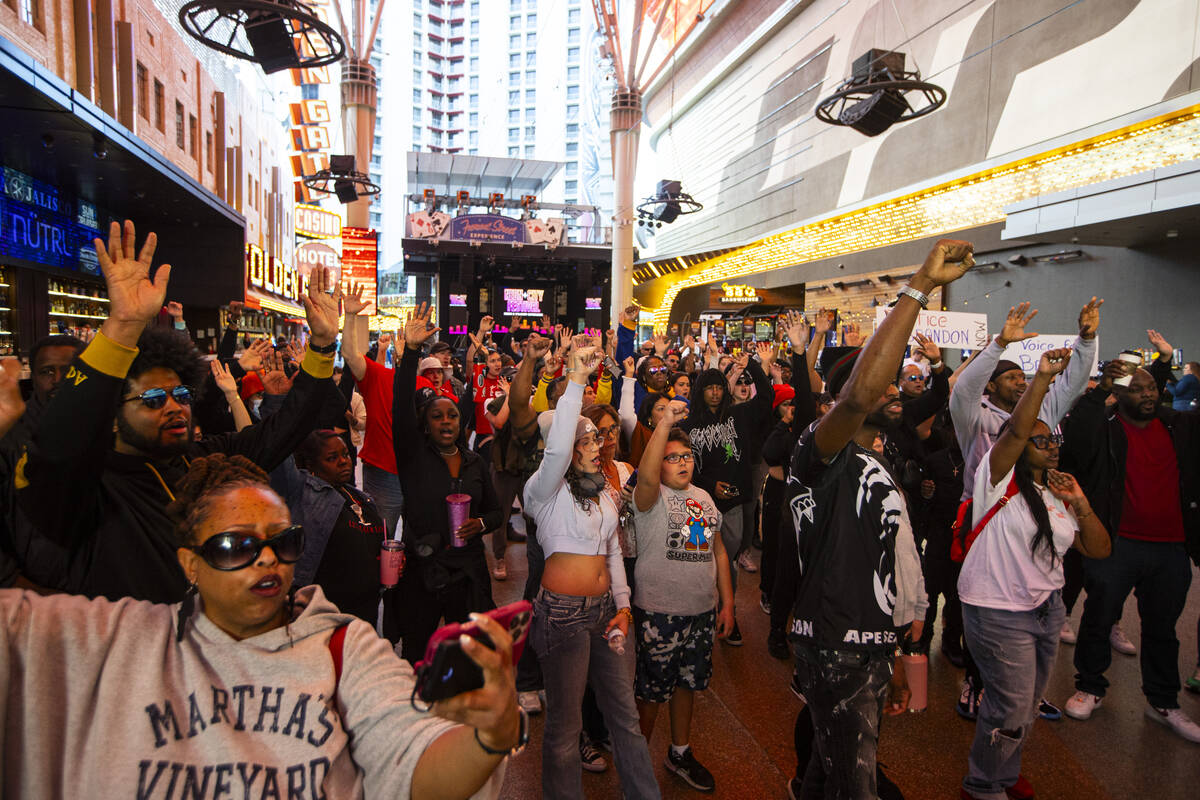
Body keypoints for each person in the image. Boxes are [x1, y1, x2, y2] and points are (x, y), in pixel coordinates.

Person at [0, 452, 520, 798]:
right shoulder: (118, 643)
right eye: (236, 546)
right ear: (189, 563)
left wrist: (490, 734)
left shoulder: (345, 647)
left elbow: (416, 763)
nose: (267, 560)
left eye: (282, 541)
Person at [15, 220, 339, 603]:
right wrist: (123, 326)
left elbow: (285, 429)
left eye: (182, 395)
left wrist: (321, 345)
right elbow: (55, 447)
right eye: (154, 399)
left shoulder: (201, 463)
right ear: (113, 416)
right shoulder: (89, 488)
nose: (175, 407)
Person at [786, 240, 972, 798]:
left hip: (868, 638)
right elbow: (862, 390)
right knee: (858, 787)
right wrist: (920, 285)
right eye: (887, 380)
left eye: (901, 379)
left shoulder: (880, 456)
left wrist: (893, 647)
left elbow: (889, 560)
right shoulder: (817, 452)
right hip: (833, 640)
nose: (897, 388)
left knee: (829, 767)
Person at [958, 348, 1111, 800]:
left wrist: (1080, 503)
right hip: (997, 609)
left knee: (1024, 705)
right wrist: (1042, 378)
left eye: (1053, 440)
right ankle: (983, 785)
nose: (1051, 445)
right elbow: (1019, 427)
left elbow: (1098, 549)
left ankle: (1004, 773)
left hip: (1046, 608)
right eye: (1040, 441)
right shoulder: (996, 479)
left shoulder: (1058, 491)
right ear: (1017, 444)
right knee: (1008, 706)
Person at [948, 297, 1100, 718]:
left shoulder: (1042, 414)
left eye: (1022, 376)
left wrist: (1086, 342)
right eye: (1011, 377)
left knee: (1032, 591)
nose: (1019, 382)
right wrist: (997, 345)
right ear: (992, 386)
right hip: (987, 514)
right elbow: (962, 388)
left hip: (1034, 510)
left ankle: (1022, 688)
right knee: (985, 600)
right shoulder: (973, 416)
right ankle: (977, 683)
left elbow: (1069, 384)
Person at [522, 340, 660, 800]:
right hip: (561, 617)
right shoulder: (543, 490)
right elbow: (558, 446)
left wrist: (623, 608)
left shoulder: (605, 492)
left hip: (605, 613)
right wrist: (577, 380)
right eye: (585, 438)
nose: (594, 444)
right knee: (565, 729)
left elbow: (613, 552)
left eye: (596, 438)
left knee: (625, 717)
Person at [1060, 333, 1200, 743]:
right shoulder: (1103, 430)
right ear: (1118, 396)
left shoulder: (1180, 428)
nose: (1147, 394)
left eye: (1152, 387)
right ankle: (1089, 685)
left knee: (1163, 627)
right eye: (1136, 389)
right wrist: (1100, 389)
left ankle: (1164, 702)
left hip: (1171, 546)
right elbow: (1075, 439)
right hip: (1117, 542)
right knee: (1100, 616)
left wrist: (1165, 361)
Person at [631, 402, 734, 792]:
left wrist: (727, 603)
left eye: (686, 456)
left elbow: (717, 551)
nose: (681, 463)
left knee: (687, 685)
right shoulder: (649, 498)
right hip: (660, 613)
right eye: (671, 458)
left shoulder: (704, 499)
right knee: (651, 692)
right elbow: (645, 471)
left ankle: (679, 751)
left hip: (700, 611)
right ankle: (636, 761)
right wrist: (665, 426)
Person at [391, 303, 502, 664]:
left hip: (468, 572)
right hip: (423, 570)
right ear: (425, 424)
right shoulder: (413, 456)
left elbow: (497, 512)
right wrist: (410, 353)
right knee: (418, 655)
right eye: (436, 416)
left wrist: (481, 524)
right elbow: (400, 407)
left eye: (452, 415)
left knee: (469, 657)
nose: (445, 421)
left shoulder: (473, 463)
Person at [682, 342, 775, 646]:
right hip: (698, 505)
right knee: (697, 561)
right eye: (708, 388)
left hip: (734, 503)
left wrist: (755, 367)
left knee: (729, 562)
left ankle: (727, 612)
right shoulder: (688, 425)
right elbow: (685, 467)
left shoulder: (738, 417)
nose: (715, 393)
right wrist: (710, 485)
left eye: (719, 387)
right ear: (700, 391)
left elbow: (766, 402)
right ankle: (696, 614)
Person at [270, 430, 391, 634]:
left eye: (345, 454)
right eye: (332, 458)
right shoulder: (304, 494)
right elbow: (278, 448)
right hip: (326, 614)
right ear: (310, 465)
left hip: (365, 613)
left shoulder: (359, 497)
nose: (344, 461)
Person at [340, 285, 405, 538]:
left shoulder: (425, 385)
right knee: (381, 535)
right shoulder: (380, 376)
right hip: (383, 471)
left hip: (419, 472)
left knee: (420, 541)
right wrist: (351, 317)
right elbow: (348, 353)